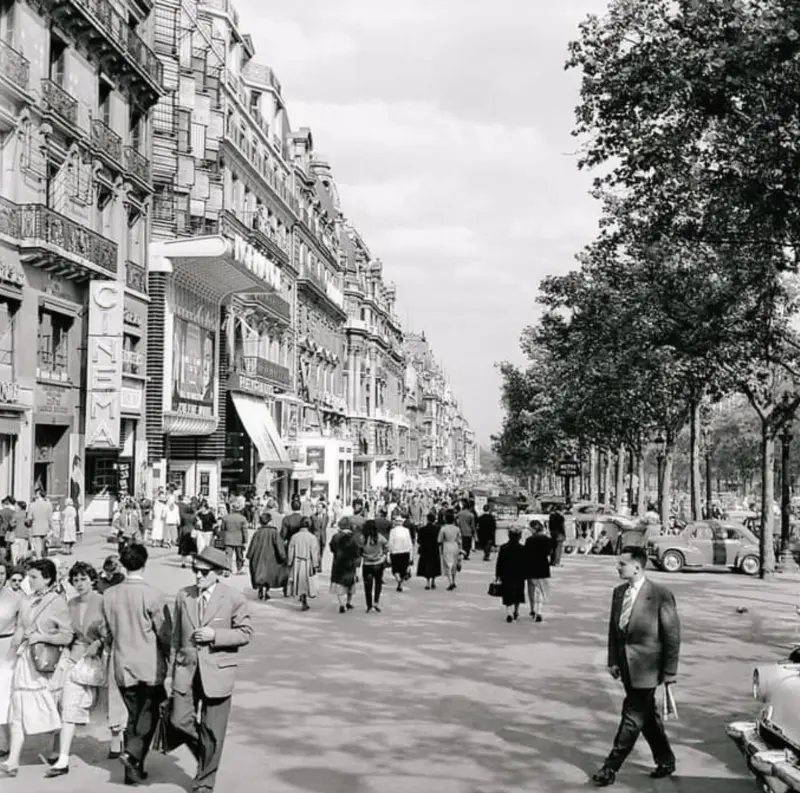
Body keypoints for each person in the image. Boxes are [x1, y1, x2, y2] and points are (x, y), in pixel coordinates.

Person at [592, 546, 681, 787]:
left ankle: (610, 768)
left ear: (637, 567)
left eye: (622, 564)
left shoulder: (660, 594)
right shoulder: (619, 593)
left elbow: (672, 635)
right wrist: (612, 660)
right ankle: (666, 759)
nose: (617, 567)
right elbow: (613, 630)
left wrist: (670, 671)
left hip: (648, 668)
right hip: (625, 665)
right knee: (646, 716)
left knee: (632, 716)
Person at [167, 546, 253, 793]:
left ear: (217, 573)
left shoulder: (234, 598)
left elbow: (246, 633)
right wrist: (170, 673)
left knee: (214, 730)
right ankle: (208, 753)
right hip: (187, 670)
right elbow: (175, 637)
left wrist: (215, 635)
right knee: (178, 720)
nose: (198, 576)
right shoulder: (184, 596)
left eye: (203, 572)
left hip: (218, 672)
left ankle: (205, 780)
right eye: (195, 570)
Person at [102, 544, 171, 786]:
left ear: (123, 563)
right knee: (149, 713)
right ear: (145, 562)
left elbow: (107, 630)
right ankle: (133, 756)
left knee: (132, 714)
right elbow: (164, 632)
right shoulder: (152, 594)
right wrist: (170, 657)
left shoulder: (110, 595)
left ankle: (132, 769)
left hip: (122, 663)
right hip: (149, 663)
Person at [1, 559, 73, 778]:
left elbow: (67, 634)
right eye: (28, 577)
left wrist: (41, 636)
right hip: (25, 660)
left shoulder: (57, 602)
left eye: (33, 577)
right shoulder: (26, 600)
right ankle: (13, 760)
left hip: (48, 662)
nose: (28, 581)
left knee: (51, 707)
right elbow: (21, 626)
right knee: (18, 707)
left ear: (47, 579)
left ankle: (58, 750)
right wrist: (16, 642)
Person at [42, 562, 111, 777]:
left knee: (107, 707)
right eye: (76, 580)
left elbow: (111, 631)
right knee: (66, 706)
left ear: (92, 579)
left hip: (99, 660)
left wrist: (99, 643)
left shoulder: (102, 602)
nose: (80, 584)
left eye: (83, 579)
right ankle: (62, 759)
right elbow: (65, 631)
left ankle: (119, 744)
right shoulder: (70, 604)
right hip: (73, 660)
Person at [0, 561, 21, 759]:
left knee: (6, 693)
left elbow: (23, 622)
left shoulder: (15, 598)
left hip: (7, 648)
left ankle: (7, 741)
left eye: (2, 573)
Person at [246, 512, 287, 601]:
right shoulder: (274, 532)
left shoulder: (257, 533)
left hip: (259, 556)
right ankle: (266, 589)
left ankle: (261, 588)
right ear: (270, 521)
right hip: (271, 557)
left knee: (260, 573)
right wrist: (283, 556)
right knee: (269, 574)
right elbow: (279, 545)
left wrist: (249, 555)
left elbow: (252, 545)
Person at [286, 516, 320, 612]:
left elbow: (290, 550)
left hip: (297, 561)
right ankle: (304, 598)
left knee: (298, 581)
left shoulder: (294, 537)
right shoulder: (312, 538)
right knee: (306, 581)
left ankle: (302, 596)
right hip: (307, 561)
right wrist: (315, 564)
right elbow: (314, 552)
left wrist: (289, 562)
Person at [329, 517, 362, 613]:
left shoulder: (336, 536)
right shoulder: (355, 537)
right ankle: (348, 602)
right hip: (350, 564)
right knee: (350, 584)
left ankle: (341, 604)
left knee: (339, 584)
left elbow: (332, 548)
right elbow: (358, 552)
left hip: (338, 563)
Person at [495, 527, 527, 623]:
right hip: (519, 574)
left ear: (509, 536)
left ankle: (509, 613)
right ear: (519, 537)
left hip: (506, 573)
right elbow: (526, 563)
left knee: (507, 592)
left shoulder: (503, 548)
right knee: (518, 592)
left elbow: (499, 562)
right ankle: (516, 611)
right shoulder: (523, 548)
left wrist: (498, 574)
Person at [524, 521, 552, 622]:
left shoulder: (529, 540)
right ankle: (539, 611)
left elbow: (525, 554)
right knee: (540, 590)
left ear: (534, 529)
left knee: (531, 589)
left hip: (531, 566)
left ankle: (532, 609)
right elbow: (549, 552)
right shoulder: (547, 539)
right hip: (543, 566)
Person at [360, 519, 388, 613]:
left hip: (367, 563)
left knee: (368, 585)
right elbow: (387, 545)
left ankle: (369, 605)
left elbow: (358, 549)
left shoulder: (362, 538)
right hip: (378, 562)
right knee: (378, 583)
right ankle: (376, 602)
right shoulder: (379, 537)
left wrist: (363, 555)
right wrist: (384, 554)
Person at [218, 499, 247, 576]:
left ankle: (228, 570)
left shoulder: (225, 518)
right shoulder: (242, 519)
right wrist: (245, 541)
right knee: (239, 555)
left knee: (228, 555)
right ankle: (239, 569)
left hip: (228, 539)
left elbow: (222, 528)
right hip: (239, 539)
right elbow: (244, 531)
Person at [416, 512, 442, 590]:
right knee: (434, 565)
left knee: (426, 566)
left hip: (425, 549)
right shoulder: (438, 529)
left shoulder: (422, 529)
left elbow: (418, 541)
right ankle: (433, 581)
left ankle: (427, 583)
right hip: (434, 549)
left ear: (427, 520)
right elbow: (440, 541)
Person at [387, 513, 413, 593]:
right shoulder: (406, 530)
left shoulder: (392, 531)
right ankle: (400, 582)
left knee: (395, 569)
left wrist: (389, 552)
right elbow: (409, 542)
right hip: (405, 551)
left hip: (395, 552)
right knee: (403, 569)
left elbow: (390, 542)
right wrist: (411, 554)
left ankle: (399, 581)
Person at [437, 510, 462, 591]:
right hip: (455, 545)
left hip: (447, 546)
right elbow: (459, 540)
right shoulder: (457, 528)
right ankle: (454, 581)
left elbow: (439, 540)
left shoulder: (443, 528)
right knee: (454, 565)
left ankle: (450, 582)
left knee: (448, 565)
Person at [27, 490, 53, 559]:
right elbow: (50, 518)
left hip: (36, 527)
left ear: (38, 495)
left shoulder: (32, 505)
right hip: (45, 527)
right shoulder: (48, 504)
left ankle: (39, 559)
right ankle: (45, 559)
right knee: (45, 545)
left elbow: (29, 517)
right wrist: (52, 528)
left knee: (37, 546)